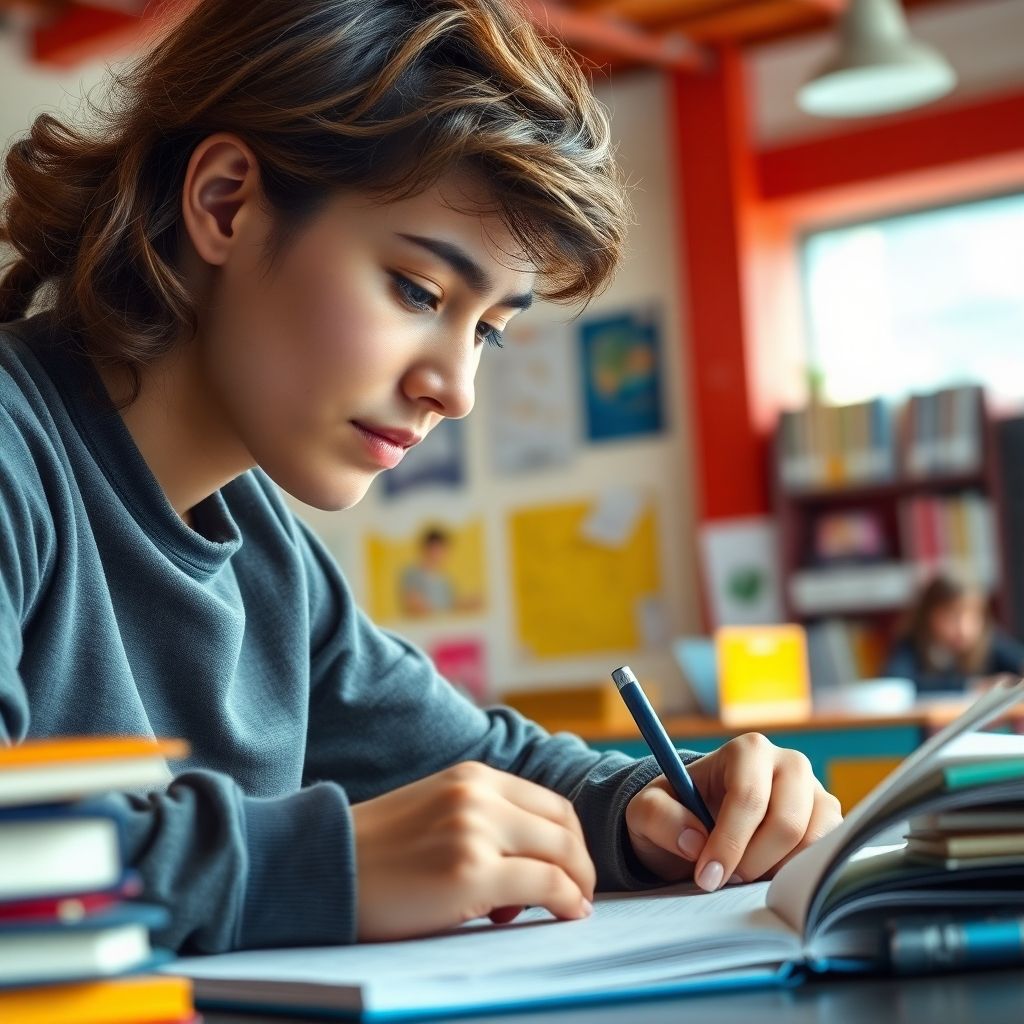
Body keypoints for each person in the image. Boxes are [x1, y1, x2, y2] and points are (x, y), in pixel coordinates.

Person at [0, 0, 842, 955]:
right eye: (418, 291)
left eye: (486, 329)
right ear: (225, 202)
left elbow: (485, 760)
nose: (455, 388)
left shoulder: (269, 559)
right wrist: (320, 863)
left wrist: (655, 806)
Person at [883, 574, 1024, 694]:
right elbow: (897, 684)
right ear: (928, 617)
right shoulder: (911, 644)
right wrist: (972, 686)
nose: (964, 628)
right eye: (951, 617)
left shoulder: (989, 640)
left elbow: (1018, 661)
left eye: (973, 617)